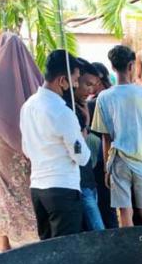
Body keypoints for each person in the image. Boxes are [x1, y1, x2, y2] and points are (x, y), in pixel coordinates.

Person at [0, 33, 40, 251]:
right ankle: (35, 236)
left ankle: (5, 244)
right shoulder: (32, 71)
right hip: (28, 142)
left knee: (3, 190)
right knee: (28, 188)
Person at [20, 50, 90, 240]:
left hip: (38, 189)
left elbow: (26, 149)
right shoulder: (62, 112)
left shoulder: (28, 106)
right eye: (75, 80)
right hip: (62, 189)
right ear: (62, 81)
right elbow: (80, 156)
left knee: (47, 248)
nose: (76, 85)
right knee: (65, 249)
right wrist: (81, 138)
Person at [91, 45, 142, 227]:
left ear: (112, 67)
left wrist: (106, 169)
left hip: (118, 161)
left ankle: (128, 245)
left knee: (125, 211)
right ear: (131, 65)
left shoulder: (103, 97)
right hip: (141, 160)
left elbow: (105, 138)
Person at [71, 58, 105, 231]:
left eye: (94, 85)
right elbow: (77, 145)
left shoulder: (83, 107)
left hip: (88, 179)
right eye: (87, 84)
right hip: (79, 182)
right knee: (97, 230)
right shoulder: (68, 110)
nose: (90, 90)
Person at [88, 62, 118, 229]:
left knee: (105, 205)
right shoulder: (112, 97)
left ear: (98, 80)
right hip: (112, 156)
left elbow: (103, 136)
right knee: (109, 206)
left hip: (101, 160)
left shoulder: (95, 102)